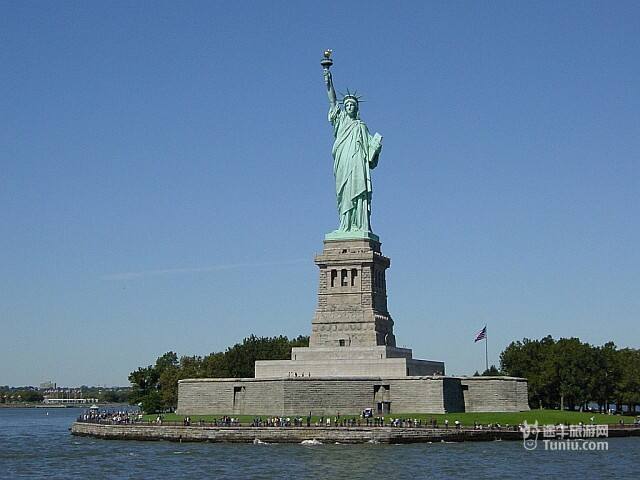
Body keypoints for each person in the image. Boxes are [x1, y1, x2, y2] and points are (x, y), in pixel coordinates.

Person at [324, 68, 382, 235]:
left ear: (357, 109)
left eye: (352, 105)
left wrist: (376, 148)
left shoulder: (361, 126)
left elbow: (371, 153)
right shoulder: (340, 121)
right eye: (347, 105)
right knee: (343, 193)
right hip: (343, 161)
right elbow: (333, 101)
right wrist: (328, 79)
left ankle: (358, 225)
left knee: (358, 192)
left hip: (357, 163)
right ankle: (345, 224)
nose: (349, 107)